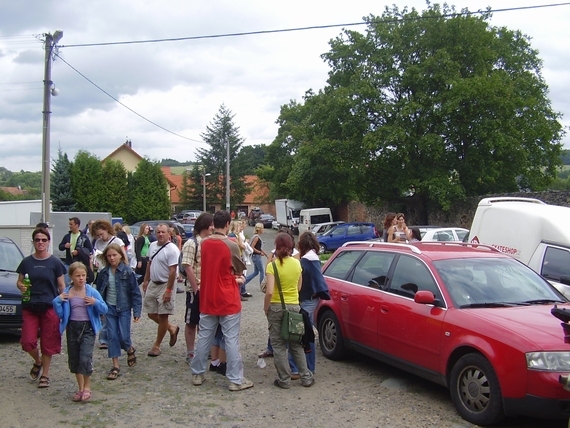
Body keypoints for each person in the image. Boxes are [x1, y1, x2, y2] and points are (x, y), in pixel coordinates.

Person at [190, 210, 254, 391]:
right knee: (231, 339)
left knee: (204, 337)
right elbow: (238, 269)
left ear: (213, 224)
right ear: (227, 224)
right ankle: (235, 380)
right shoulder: (231, 244)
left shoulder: (205, 243)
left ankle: (197, 373)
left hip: (208, 297)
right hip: (227, 298)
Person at [16, 227, 66, 389]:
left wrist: (64, 306)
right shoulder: (26, 262)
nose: (40, 243)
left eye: (44, 240)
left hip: (49, 306)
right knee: (28, 341)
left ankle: (45, 374)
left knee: (48, 341)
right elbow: (19, 281)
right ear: (33, 242)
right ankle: (37, 361)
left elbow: (61, 287)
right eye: (37, 240)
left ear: (48, 242)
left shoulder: (55, 263)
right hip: (30, 306)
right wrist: (21, 287)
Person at [264, 233, 314, 389]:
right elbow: (299, 288)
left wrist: (266, 308)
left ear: (277, 247)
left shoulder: (272, 266)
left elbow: (270, 291)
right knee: (296, 344)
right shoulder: (297, 264)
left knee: (278, 345)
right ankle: (305, 377)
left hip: (276, 307)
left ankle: (284, 380)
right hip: (294, 307)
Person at [52, 262, 107, 402]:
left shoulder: (91, 291)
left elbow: (104, 309)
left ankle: (87, 387)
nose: (81, 278)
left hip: (87, 328)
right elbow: (59, 313)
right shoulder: (67, 293)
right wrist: (58, 301)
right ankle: (81, 387)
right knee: (75, 359)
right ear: (71, 277)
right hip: (72, 328)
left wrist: (95, 302)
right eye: (78, 276)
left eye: (83, 275)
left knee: (85, 357)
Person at [95, 243, 142, 380]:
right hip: (109, 308)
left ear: (121, 256)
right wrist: (99, 309)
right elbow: (99, 292)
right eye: (109, 256)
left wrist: (137, 312)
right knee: (112, 336)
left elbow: (135, 293)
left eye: (114, 255)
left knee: (124, 336)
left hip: (124, 308)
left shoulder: (127, 272)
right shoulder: (103, 273)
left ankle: (129, 349)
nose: (111, 258)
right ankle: (115, 365)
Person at [288, 232, 330, 376]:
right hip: (313, 299)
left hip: (306, 300)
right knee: (306, 331)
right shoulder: (314, 258)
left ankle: (299, 368)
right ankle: (306, 367)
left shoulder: (305, 261)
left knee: (300, 333)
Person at [142, 223, 181, 357]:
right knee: (151, 313)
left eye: (163, 232)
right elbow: (149, 263)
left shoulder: (172, 249)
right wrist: (146, 280)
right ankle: (171, 328)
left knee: (163, 315)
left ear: (168, 234)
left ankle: (157, 345)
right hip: (154, 282)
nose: (160, 234)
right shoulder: (153, 246)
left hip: (166, 283)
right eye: (158, 232)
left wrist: (169, 291)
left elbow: (172, 271)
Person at [180, 212, 214, 364]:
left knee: (205, 322)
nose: (213, 227)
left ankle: (203, 349)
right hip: (195, 290)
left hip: (208, 289)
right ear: (205, 226)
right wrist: (196, 289)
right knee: (191, 321)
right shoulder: (191, 243)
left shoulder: (209, 242)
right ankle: (191, 352)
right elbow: (187, 266)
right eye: (211, 225)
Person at [92, 219, 127, 350]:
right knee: (103, 305)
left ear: (107, 230)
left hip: (115, 274)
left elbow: (124, 258)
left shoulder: (117, 241)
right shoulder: (98, 242)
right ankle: (104, 337)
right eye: (97, 235)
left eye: (101, 234)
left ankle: (119, 336)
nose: (100, 237)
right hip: (102, 274)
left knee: (116, 305)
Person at [58, 217, 94, 284]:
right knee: (67, 282)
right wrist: (65, 246)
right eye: (69, 224)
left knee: (80, 282)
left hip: (80, 264)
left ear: (77, 225)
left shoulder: (84, 237)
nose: (69, 226)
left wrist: (79, 252)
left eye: (71, 224)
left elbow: (89, 250)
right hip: (68, 263)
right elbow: (60, 247)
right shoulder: (67, 236)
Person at [243, 223, 267, 298]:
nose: (263, 230)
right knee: (262, 271)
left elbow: (259, 247)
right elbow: (252, 247)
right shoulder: (256, 237)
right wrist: (260, 252)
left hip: (256, 256)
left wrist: (265, 254)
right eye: (262, 228)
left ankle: (245, 281)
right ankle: (262, 285)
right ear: (259, 229)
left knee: (256, 272)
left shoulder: (257, 237)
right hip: (256, 256)